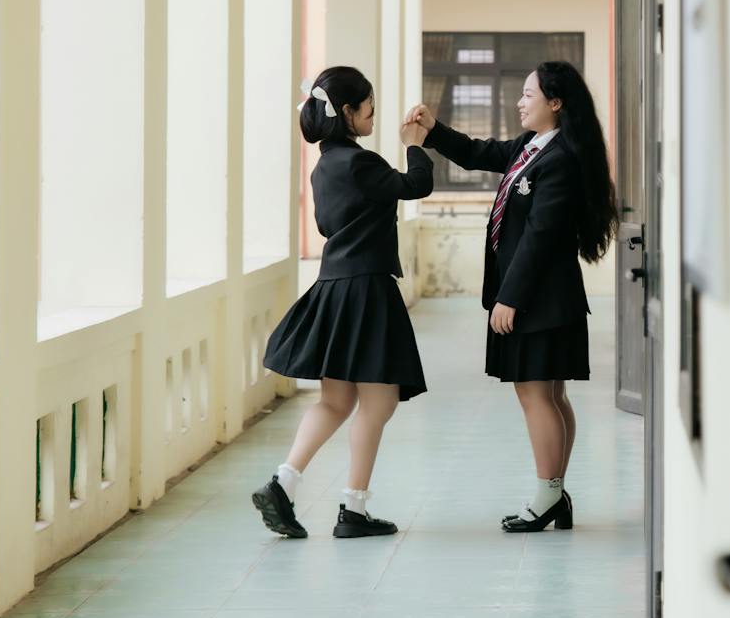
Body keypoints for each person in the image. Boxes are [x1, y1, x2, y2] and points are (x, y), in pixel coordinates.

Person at [407, 60, 619, 532]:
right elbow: (478, 152)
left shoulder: (559, 158)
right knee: (550, 394)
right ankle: (555, 495)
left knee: (537, 395)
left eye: (528, 94)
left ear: (556, 103)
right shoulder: (531, 147)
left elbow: (542, 235)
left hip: (541, 299)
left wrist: (510, 298)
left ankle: (546, 498)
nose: (520, 102)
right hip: (543, 298)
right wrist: (433, 129)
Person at [252, 66, 433, 539]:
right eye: (368, 103)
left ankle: (284, 482)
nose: (374, 110)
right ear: (349, 112)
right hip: (366, 289)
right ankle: (354, 508)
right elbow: (417, 185)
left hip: (333, 286)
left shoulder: (322, 168)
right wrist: (414, 142)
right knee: (380, 401)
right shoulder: (360, 163)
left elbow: (326, 228)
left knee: (335, 400)